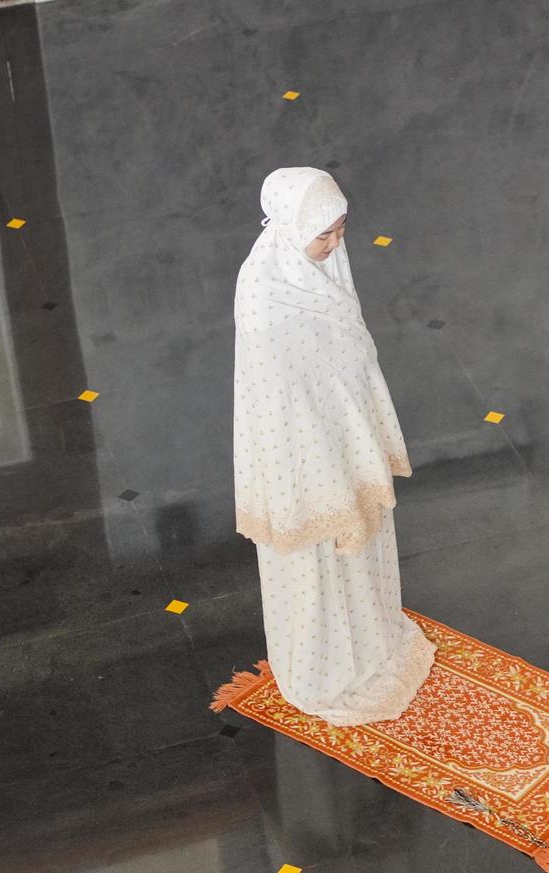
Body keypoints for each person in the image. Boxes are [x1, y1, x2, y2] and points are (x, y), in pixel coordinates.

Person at [231, 166, 436, 725]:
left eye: (340, 230)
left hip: (342, 436)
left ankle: (368, 643)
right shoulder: (263, 294)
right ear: (291, 227)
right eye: (324, 234)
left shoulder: (322, 267)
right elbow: (276, 398)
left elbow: (348, 356)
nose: (334, 243)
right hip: (300, 456)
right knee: (318, 560)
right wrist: (324, 455)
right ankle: (323, 669)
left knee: (361, 546)